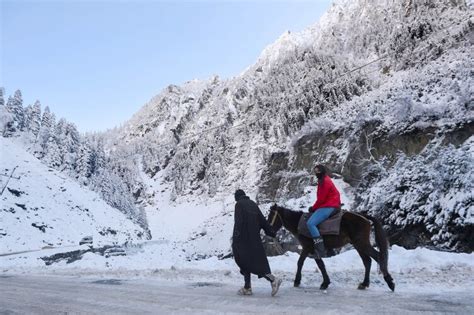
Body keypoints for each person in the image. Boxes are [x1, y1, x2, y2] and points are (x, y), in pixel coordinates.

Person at [232, 189, 282, 296]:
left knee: (246, 262)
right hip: (255, 240)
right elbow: (262, 221)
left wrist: (235, 238)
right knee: (252, 263)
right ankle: (247, 287)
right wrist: (271, 232)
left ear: (237, 197)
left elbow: (238, 222)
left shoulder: (239, 205)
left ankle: (273, 280)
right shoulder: (253, 204)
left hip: (244, 240)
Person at [307, 165, 341, 258]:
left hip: (330, 205)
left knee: (311, 224)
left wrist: (313, 208)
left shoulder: (325, 181)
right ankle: (328, 248)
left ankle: (320, 251)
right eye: (315, 171)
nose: (316, 173)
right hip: (328, 204)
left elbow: (321, 199)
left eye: (318, 171)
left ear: (322, 171)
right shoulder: (322, 180)